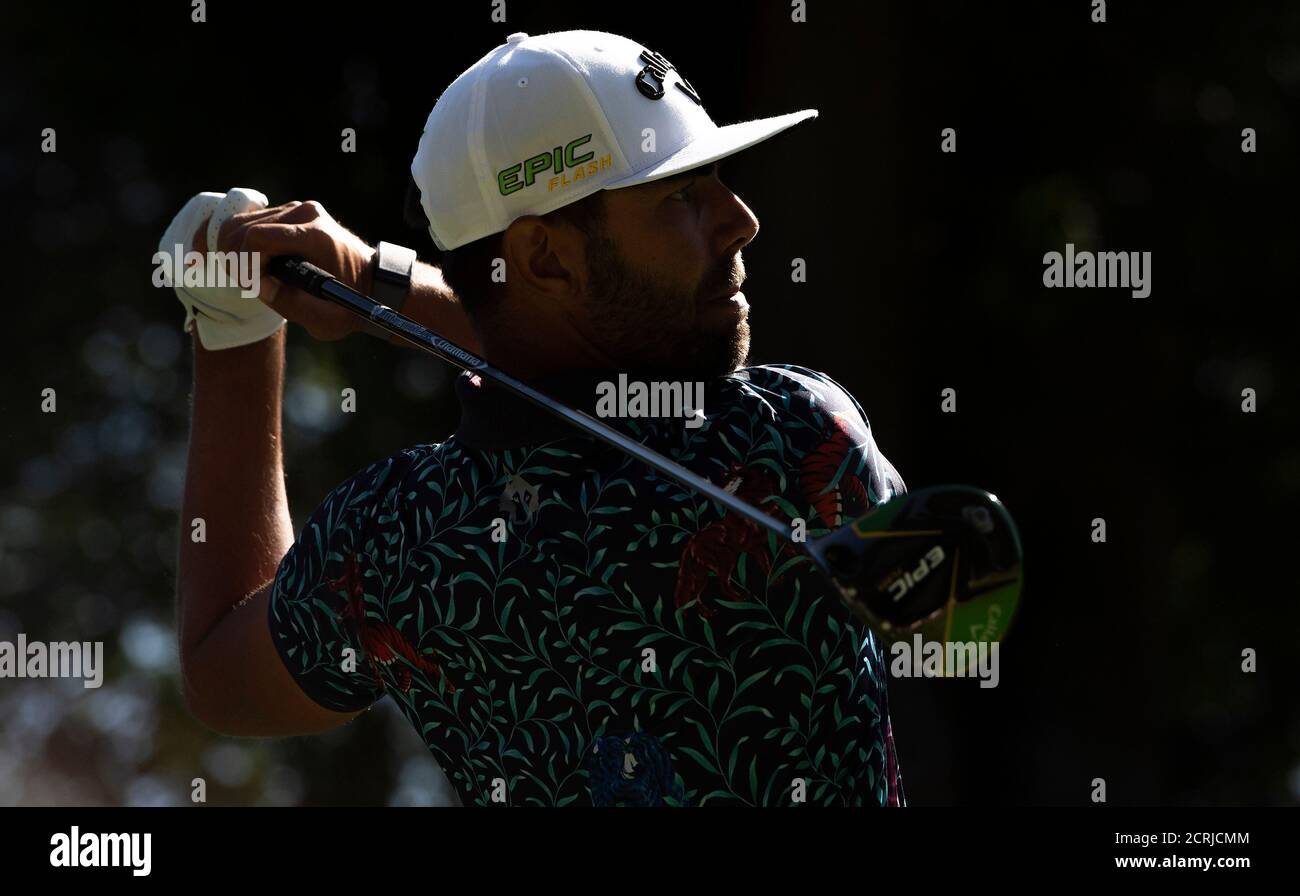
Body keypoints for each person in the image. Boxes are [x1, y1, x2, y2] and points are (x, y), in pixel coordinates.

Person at [170, 30, 907, 806]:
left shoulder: (394, 541)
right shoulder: (790, 436)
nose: (740, 218)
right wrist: (376, 282)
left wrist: (234, 333)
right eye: (681, 195)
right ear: (547, 258)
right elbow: (584, 375)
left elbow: (220, 672)